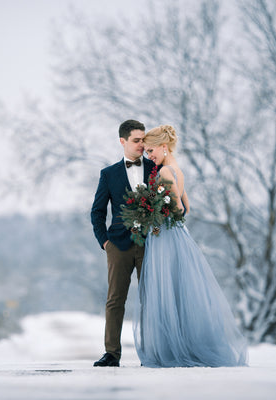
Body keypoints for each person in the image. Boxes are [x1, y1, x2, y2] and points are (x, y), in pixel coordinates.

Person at [133, 124, 248, 368]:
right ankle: (181, 343)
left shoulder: (164, 172)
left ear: (164, 147)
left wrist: (151, 210)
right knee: (179, 289)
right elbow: (187, 208)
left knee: (167, 290)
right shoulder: (177, 170)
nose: (149, 156)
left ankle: (174, 349)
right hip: (176, 232)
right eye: (146, 153)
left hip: (165, 234)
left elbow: (176, 208)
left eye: (151, 150)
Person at [91, 119, 156, 367]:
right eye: (136, 140)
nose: (141, 145)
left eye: (143, 140)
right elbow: (97, 212)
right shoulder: (108, 174)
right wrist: (105, 242)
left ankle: (152, 352)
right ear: (123, 141)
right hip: (118, 244)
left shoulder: (155, 169)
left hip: (151, 244)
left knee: (152, 299)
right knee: (115, 299)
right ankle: (112, 354)